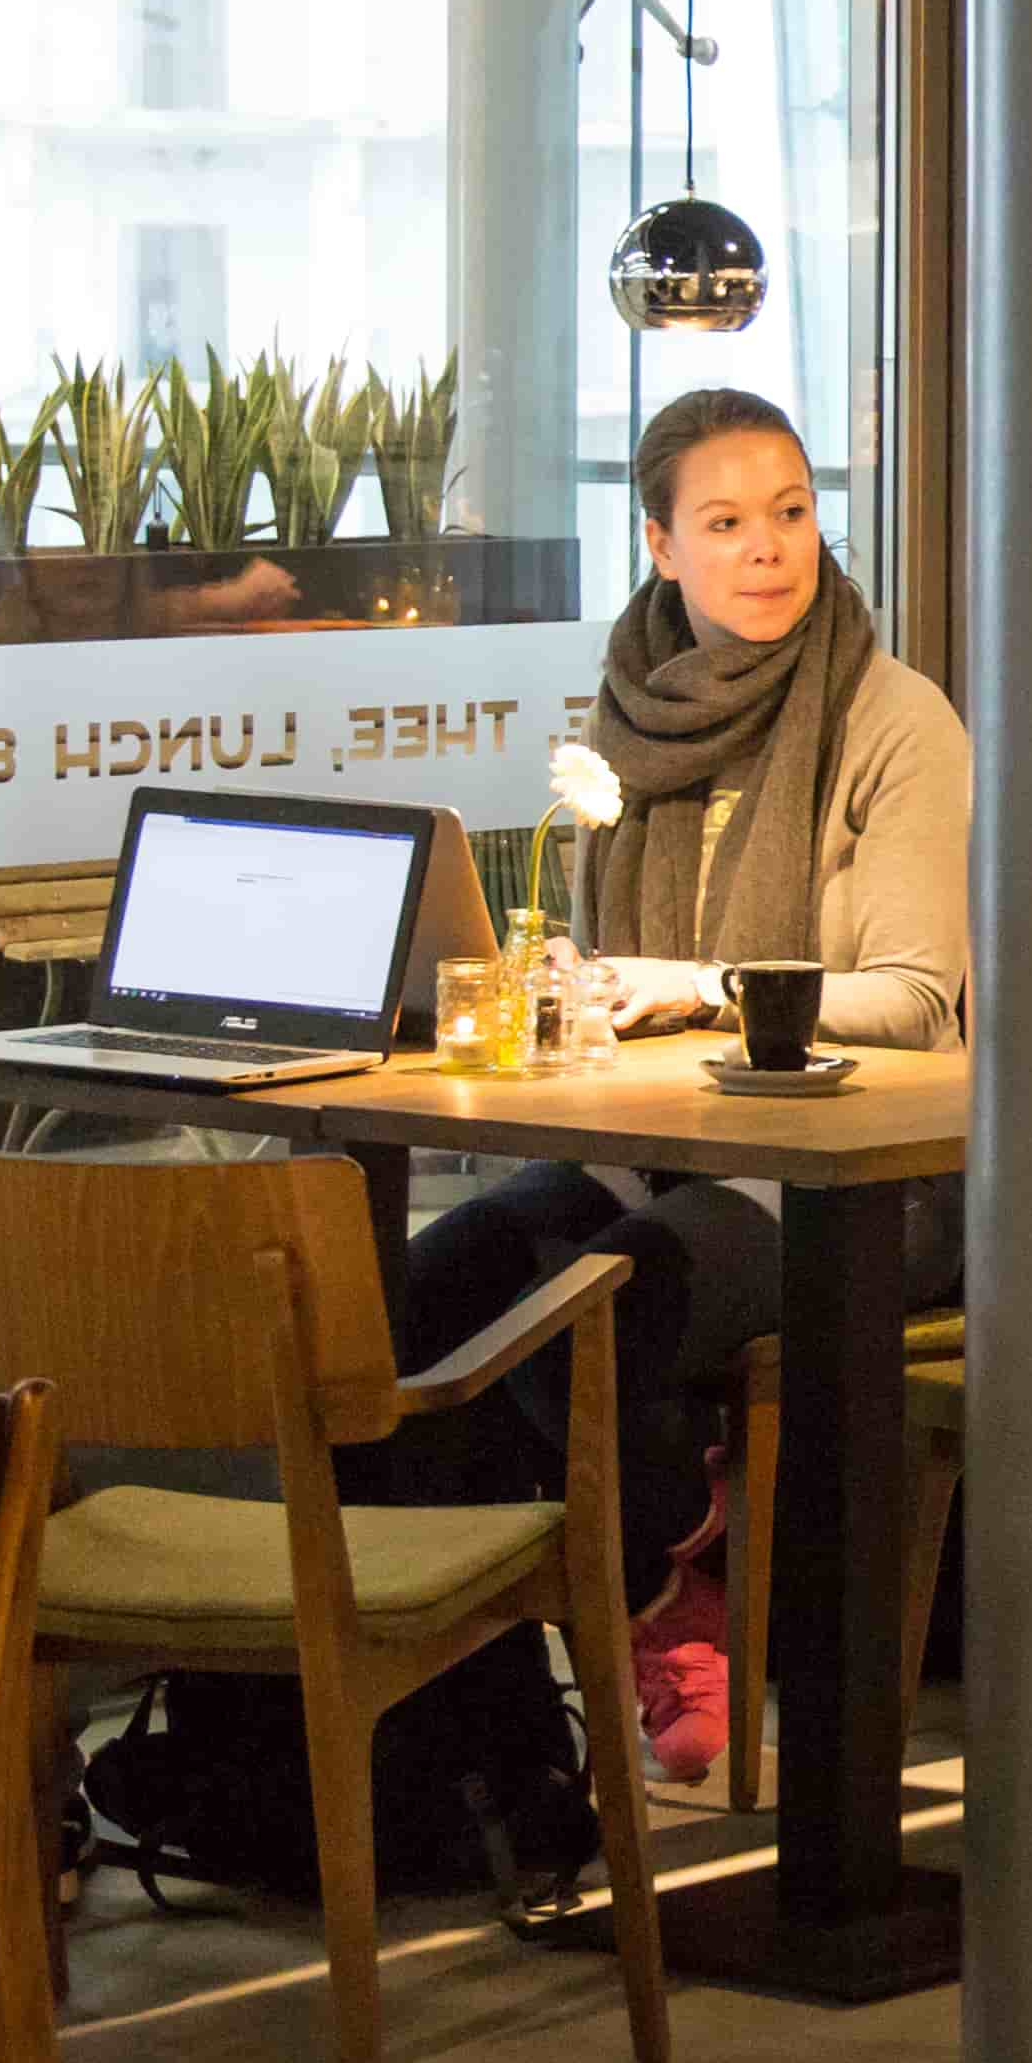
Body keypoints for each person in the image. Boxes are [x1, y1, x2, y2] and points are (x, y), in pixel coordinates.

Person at [379, 386, 971, 1782]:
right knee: (428, 1301)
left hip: (874, 1175)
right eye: (725, 522)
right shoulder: (626, 718)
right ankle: (480, 1738)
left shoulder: (895, 720)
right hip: (664, 1146)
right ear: (659, 545)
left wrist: (698, 987)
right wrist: (573, 986)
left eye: (791, 515)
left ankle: (665, 1592)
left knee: (611, 1308)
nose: (769, 550)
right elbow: (621, 958)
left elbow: (919, 1003)